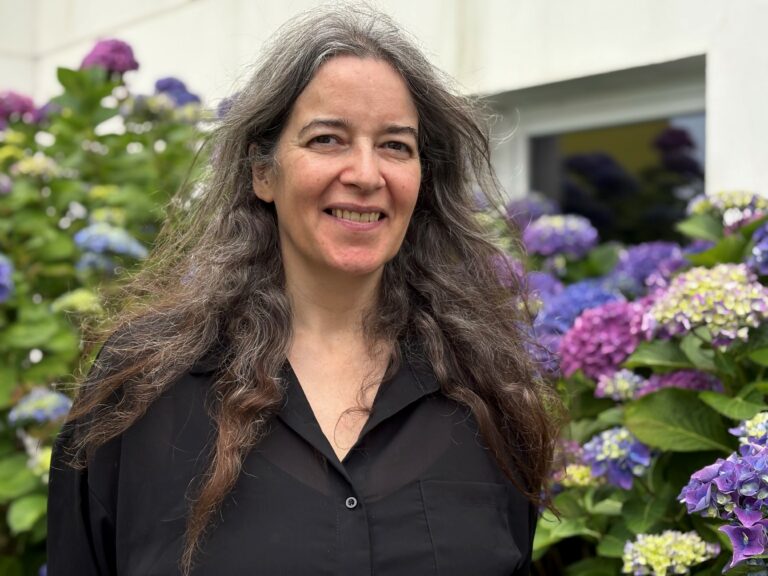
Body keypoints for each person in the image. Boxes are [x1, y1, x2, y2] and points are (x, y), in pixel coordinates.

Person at [47, 5, 562, 575]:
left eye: (395, 145)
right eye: (327, 139)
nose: (365, 174)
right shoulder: (142, 389)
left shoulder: (487, 393)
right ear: (262, 172)